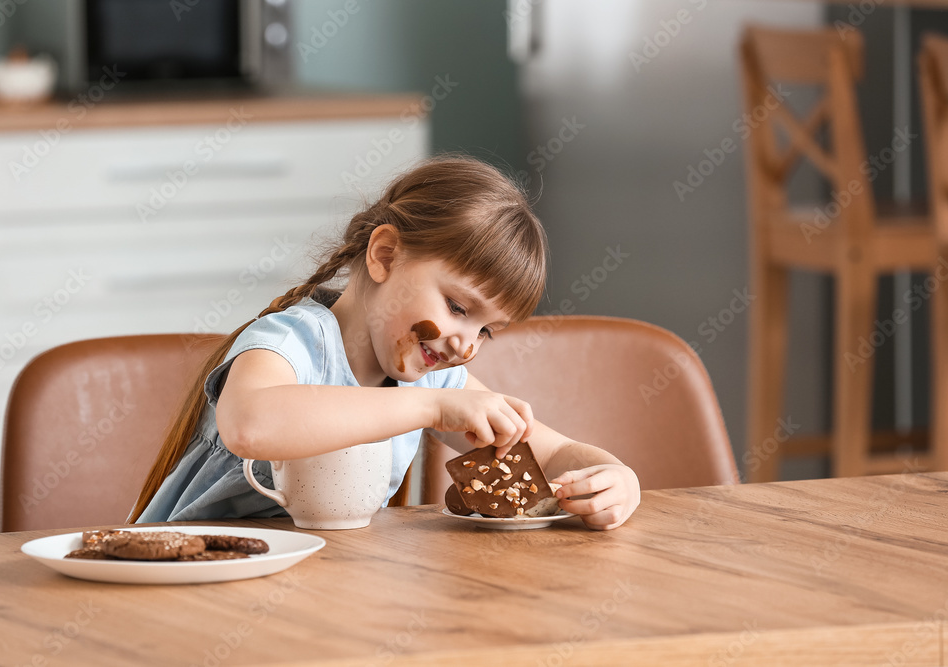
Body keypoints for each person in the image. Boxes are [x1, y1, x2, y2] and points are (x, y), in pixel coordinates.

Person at [129, 155, 640, 530]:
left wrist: (615, 478)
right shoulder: (291, 340)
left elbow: (555, 454)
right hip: (189, 582)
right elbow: (251, 425)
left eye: (485, 331)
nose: (465, 346)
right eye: (457, 308)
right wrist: (432, 406)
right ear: (386, 254)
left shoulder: (432, 378)